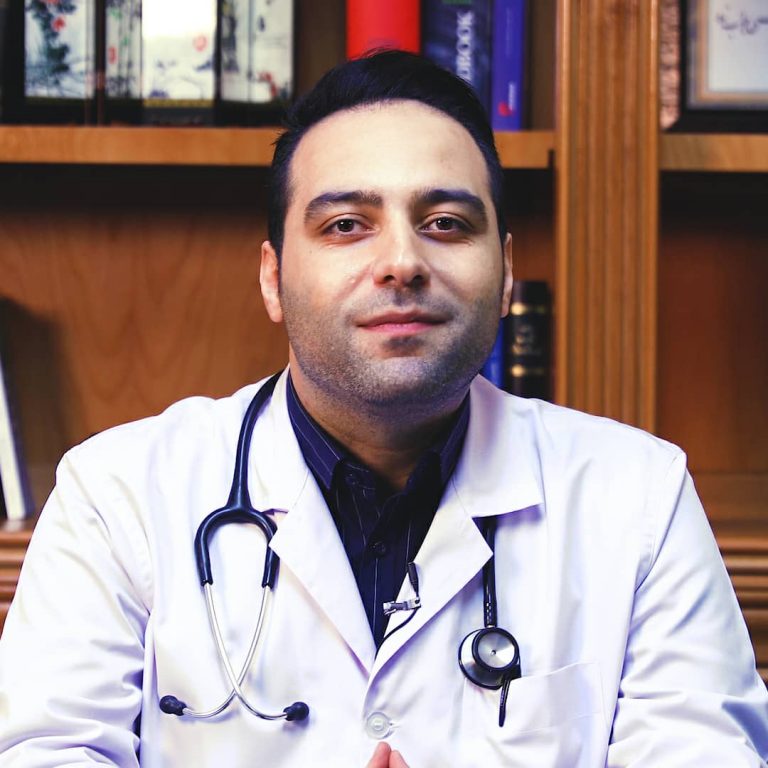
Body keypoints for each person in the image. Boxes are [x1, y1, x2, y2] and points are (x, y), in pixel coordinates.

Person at [0, 50, 766, 768]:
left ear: (505, 275)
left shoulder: (640, 497)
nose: (402, 261)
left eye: (446, 224)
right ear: (272, 278)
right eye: (345, 225)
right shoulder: (119, 495)